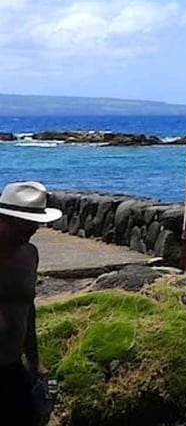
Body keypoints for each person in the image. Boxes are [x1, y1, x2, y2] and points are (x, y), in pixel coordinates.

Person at [0, 181, 64, 426]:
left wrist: (34, 361)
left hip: (12, 366)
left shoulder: (28, 255)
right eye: (26, 223)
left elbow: (27, 308)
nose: (34, 228)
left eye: (36, 222)